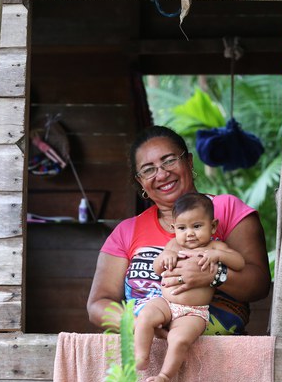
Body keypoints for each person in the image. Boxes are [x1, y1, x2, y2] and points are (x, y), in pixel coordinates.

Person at [86, 125, 271, 340]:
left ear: (189, 162)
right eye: (148, 169)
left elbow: (259, 285)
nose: (162, 174)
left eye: (169, 160)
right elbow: (98, 304)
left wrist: (213, 275)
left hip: (220, 349)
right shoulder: (126, 231)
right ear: (141, 182)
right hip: (149, 346)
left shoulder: (228, 209)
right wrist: (139, 326)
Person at [136, 192, 246, 382]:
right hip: (165, 303)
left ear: (212, 226)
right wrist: (165, 257)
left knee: (179, 340)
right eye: (182, 228)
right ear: (174, 229)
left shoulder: (215, 246)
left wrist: (218, 255)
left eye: (197, 226)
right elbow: (157, 268)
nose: (190, 233)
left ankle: (164, 375)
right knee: (145, 316)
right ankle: (141, 356)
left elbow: (239, 262)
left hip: (194, 312)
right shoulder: (173, 245)